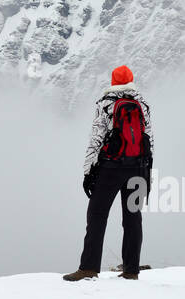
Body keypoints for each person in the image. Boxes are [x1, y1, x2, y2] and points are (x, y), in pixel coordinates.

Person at [63, 64, 153, 281]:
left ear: (113, 82)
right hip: (138, 168)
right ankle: (131, 270)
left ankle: (89, 268)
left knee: (97, 215)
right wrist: (148, 172)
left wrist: (87, 173)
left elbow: (95, 140)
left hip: (111, 168)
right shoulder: (143, 104)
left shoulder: (105, 104)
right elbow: (149, 140)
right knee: (133, 218)